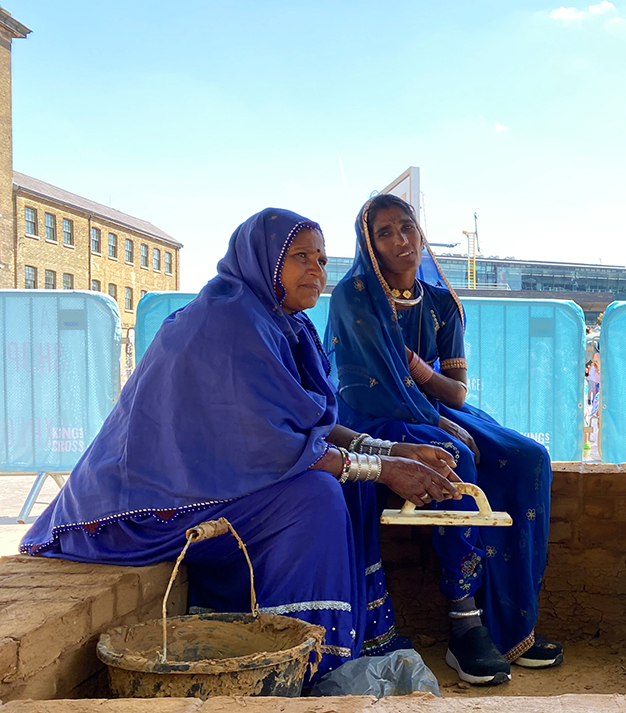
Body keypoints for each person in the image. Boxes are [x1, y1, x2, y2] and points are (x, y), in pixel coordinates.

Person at [21, 208, 461, 682]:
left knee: (347, 486)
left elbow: (306, 422)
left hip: (203, 486)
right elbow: (270, 444)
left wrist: (388, 451)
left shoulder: (277, 322)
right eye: (301, 258)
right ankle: (307, 661)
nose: (317, 270)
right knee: (315, 497)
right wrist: (383, 468)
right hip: (145, 507)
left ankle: (357, 640)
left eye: (321, 258)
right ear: (265, 261)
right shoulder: (230, 322)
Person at [326, 194, 563, 686]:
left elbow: (456, 390)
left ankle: (514, 624)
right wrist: (440, 418)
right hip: (370, 416)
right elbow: (372, 387)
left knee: (529, 459)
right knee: (453, 457)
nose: (401, 240)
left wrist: (421, 376)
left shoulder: (440, 304)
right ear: (368, 245)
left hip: (432, 408)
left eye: (407, 227)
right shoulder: (355, 295)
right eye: (385, 232)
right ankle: (463, 622)